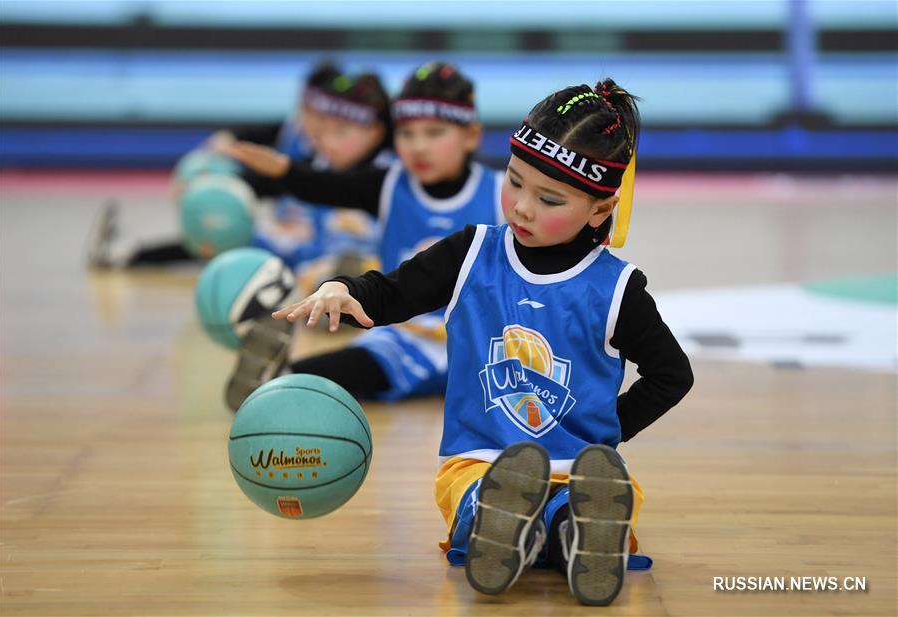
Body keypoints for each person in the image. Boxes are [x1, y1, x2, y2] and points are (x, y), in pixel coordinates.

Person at [269, 79, 693, 605]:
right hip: (479, 462)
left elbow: (672, 374)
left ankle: (565, 532)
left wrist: (611, 429)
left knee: (577, 502)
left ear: (601, 210)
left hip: (580, 471)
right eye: (514, 183)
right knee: (483, 496)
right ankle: (538, 529)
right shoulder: (470, 253)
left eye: (549, 198)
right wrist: (345, 290)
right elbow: (393, 292)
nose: (522, 207)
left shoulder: (618, 287)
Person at [222, 61, 504, 412]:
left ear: (471, 136)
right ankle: (284, 380)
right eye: (407, 134)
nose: (418, 147)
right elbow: (325, 186)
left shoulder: (500, 192)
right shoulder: (388, 184)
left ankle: (283, 380)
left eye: (434, 133)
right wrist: (284, 171)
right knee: (371, 356)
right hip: (401, 330)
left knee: (378, 361)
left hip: (480, 342)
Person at [87, 63, 393, 271]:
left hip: (366, 269)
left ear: (376, 132)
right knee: (226, 236)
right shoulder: (314, 161)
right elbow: (260, 180)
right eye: (321, 129)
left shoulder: (391, 175)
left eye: (339, 132)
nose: (324, 140)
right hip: (300, 256)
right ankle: (132, 255)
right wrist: (205, 190)